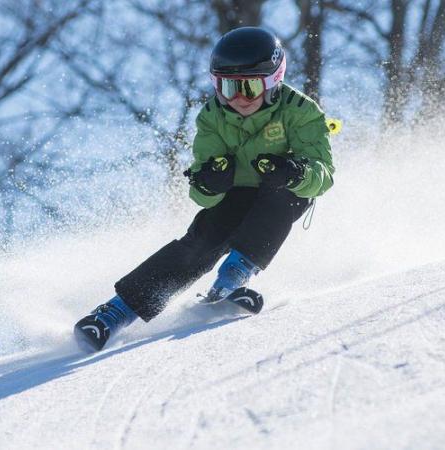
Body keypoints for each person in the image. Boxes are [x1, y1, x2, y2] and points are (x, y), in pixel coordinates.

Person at [74, 26, 335, 352]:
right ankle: (115, 312)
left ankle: (232, 279)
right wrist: (209, 183)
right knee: (204, 238)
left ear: (273, 82)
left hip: (281, 190)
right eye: (226, 87)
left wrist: (295, 172)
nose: (237, 99)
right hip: (236, 193)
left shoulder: (301, 111)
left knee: (285, 197)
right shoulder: (212, 116)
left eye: (249, 87)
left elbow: (323, 175)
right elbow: (201, 192)